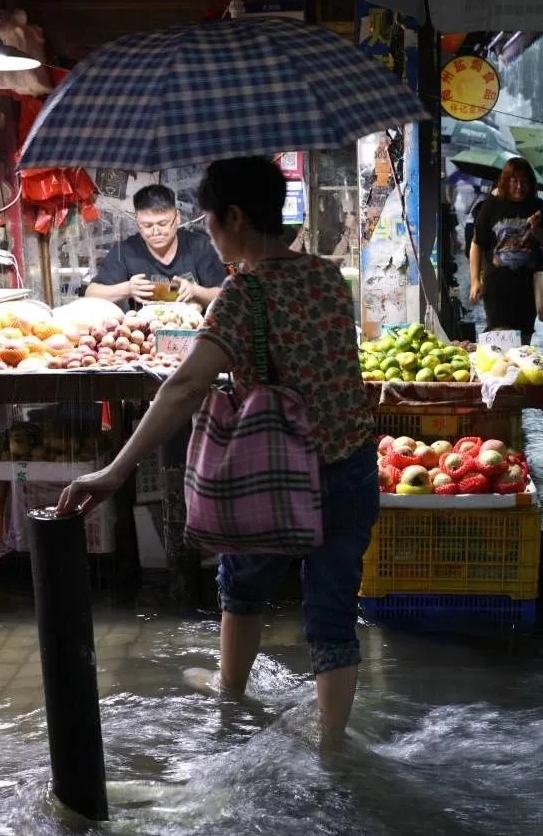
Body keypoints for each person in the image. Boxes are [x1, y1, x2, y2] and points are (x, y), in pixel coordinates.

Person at [57, 156, 379, 743]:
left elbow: (184, 387)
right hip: (352, 466)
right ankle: (335, 747)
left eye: (207, 219)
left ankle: (230, 694)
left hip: (281, 473)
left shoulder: (243, 293)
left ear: (233, 217)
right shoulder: (326, 276)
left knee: (244, 579)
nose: (205, 231)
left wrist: (114, 470)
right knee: (332, 612)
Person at [85, 184, 227, 311]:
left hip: (194, 331)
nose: (155, 232)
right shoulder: (126, 251)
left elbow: (224, 296)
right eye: (147, 226)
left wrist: (195, 291)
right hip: (145, 333)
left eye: (162, 224)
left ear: (177, 217)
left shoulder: (199, 246)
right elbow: (91, 293)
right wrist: (127, 289)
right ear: (137, 221)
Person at [469, 158, 543, 344]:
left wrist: (536, 229)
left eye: (524, 181)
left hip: (528, 286)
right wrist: (475, 280)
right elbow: (476, 244)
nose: (519, 186)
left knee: (524, 337)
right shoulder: (492, 206)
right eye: (514, 181)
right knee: (499, 336)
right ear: (505, 181)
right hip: (497, 286)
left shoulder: (538, 207)